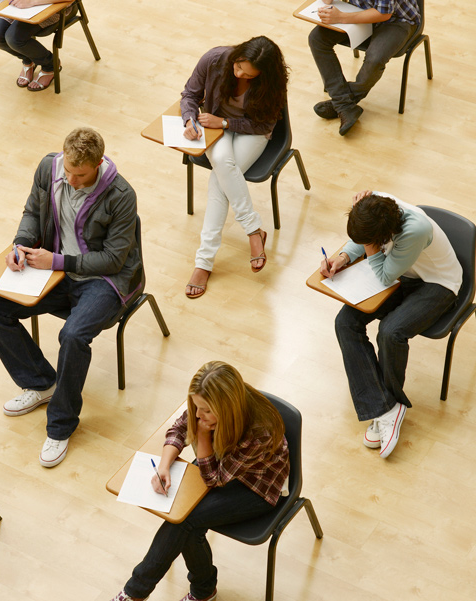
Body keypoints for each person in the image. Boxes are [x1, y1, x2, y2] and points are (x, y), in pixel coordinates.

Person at [0, 127, 140, 468]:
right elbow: (32, 213)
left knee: (72, 335)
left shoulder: (122, 195)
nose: (70, 179)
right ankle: (41, 383)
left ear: (98, 164)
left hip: (104, 280)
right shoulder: (49, 168)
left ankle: (61, 425)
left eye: (80, 175)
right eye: (67, 170)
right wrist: (20, 244)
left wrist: (59, 262)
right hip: (57, 271)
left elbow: (114, 259)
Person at [111, 361, 289, 601]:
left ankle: (136, 593)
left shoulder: (260, 431)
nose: (197, 415)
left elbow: (215, 479)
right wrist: (164, 466)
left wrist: (203, 436)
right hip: (219, 464)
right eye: (196, 407)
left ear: (226, 407)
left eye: (205, 410)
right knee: (185, 523)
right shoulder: (209, 404)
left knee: (185, 522)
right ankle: (200, 591)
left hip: (257, 486)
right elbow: (179, 429)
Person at [321, 191, 461, 458]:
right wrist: (342, 259)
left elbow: (384, 276)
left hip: (438, 284)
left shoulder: (415, 230)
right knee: (345, 322)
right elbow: (361, 243)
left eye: (371, 242)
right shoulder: (374, 205)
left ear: (382, 237)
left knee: (391, 331)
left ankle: (387, 406)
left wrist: (371, 249)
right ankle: (386, 408)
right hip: (405, 274)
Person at [180, 36, 288, 299]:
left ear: (263, 73)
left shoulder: (274, 83)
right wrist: (188, 120)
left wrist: (226, 123)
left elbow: (265, 125)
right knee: (223, 168)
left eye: (248, 74)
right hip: (215, 124)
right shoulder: (215, 59)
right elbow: (190, 95)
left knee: (220, 180)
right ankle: (253, 230)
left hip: (251, 130)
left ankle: (203, 262)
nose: (239, 73)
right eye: (238, 67)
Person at [308, 0, 420, 136]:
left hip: (397, 20)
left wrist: (340, 17)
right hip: (359, 11)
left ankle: (341, 103)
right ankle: (345, 105)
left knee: (375, 59)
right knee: (317, 39)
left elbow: (383, 13)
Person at [0, 0, 75, 91]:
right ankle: (29, 59)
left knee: (14, 39)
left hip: (49, 4)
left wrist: (32, 2)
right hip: (13, 3)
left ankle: (50, 65)